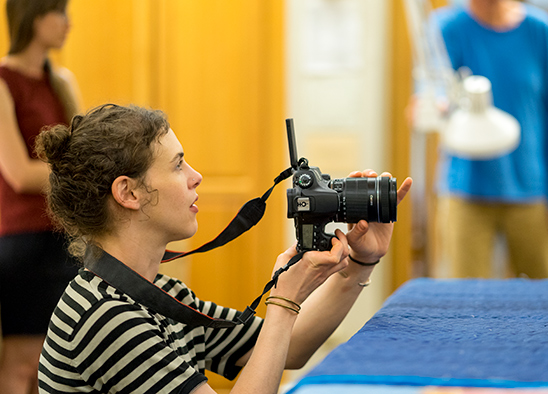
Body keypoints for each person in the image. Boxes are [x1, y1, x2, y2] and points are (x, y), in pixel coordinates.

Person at [34, 104, 412, 393]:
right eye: (178, 166)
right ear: (128, 193)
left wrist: (361, 261)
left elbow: (288, 348)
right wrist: (283, 303)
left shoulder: (158, 294)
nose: (196, 176)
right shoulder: (105, 317)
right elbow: (281, 332)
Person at [433, 0, 548, 279]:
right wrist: (431, 105)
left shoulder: (540, 30)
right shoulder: (447, 27)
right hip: (466, 189)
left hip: (531, 189)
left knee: (547, 295)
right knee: (464, 300)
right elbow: (434, 90)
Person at [0, 0, 81, 392]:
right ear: (33, 16)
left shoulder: (62, 81)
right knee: (22, 364)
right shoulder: (2, 81)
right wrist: (81, 174)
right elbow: (18, 173)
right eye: (60, 12)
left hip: (63, 236)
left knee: (59, 360)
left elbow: (81, 153)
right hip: (21, 240)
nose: (68, 22)